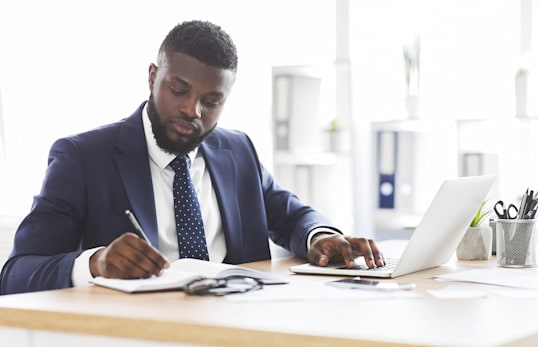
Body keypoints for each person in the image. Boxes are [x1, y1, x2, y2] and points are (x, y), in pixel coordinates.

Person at [0, 20, 385, 295]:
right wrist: (95, 263)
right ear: (153, 77)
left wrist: (323, 237)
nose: (193, 111)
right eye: (179, 90)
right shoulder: (83, 158)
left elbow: (292, 216)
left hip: (240, 326)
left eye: (211, 100)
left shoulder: (237, 151)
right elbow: (16, 273)